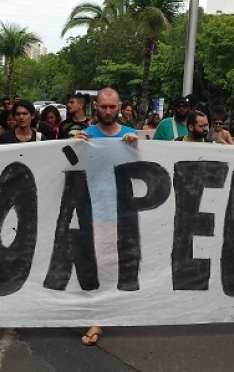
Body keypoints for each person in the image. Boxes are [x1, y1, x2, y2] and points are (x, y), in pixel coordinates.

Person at [74, 87, 138, 346]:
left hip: (125, 212)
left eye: (112, 107)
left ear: (119, 106)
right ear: (95, 108)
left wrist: (136, 148)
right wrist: (77, 147)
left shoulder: (130, 136)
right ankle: (97, 317)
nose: (108, 111)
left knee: (117, 264)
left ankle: (109, 310)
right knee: (97, 264)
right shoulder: (84, 137)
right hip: (92, 210)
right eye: (103, 107)